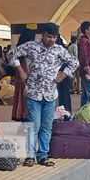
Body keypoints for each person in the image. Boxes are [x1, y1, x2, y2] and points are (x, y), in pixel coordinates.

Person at [15, 23, 79, 166]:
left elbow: (74, 62)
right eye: (49, 36)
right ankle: (30, 155)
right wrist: (21, 71)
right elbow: (12, 54)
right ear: (42, 35)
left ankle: (43, 155)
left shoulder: (59, 50)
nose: (51, 40)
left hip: (50, 94)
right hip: (33, 93)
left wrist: (63, 74)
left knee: (46, 126)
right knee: (34, 125)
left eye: (54, 37)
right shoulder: (31, 46)